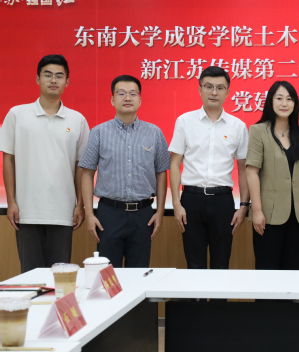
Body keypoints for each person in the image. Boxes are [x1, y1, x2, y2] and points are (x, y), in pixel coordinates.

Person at [0, 54, 89, 273]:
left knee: (60, 277)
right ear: (37, 79)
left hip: (63, 212)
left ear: (67, 81)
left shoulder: (77, 120)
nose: (53, 80)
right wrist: (11, 202)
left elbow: (81, 166)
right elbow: (8, 159)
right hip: (27, 210)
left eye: (59, 76)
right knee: (30, 276)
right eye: (47, 75)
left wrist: (79, 204)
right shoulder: (17, 114)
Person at [79, 75, 170, 268]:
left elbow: (162, 172)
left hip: (143, 214)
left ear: (140, 100)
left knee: (139, 273)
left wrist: (160, 211)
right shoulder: (99, 132)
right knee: (107, 274)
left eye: (132, 94)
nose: (127, 98)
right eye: (121, 93)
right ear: (112, 100)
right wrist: (89, 214)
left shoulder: (154, 133)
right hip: (109, 214)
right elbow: (87, 173)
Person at [169, 66, 249, 274]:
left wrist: (243, 205)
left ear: (228, 92)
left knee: (221, 265)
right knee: (194, 265)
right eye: (209, 87)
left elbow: (243, 170)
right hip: (191, 200)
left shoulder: (238, 126)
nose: (214, 92)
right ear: (200, 89)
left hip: (223, 201)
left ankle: (218, 298)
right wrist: (176, 203)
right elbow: (175, 164)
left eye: (220, 88)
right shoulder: (185, 121)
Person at [246, 81, 299, 271]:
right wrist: (257, 211)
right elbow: (251, 172)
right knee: (267, 271)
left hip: (296, 216)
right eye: (279, 98)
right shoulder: (258, 131)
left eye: (289, 99)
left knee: (292, 272)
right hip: (267, 215)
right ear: (270, 101)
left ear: (295, 104)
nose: (284, 103)